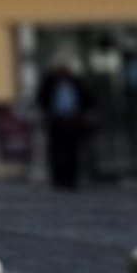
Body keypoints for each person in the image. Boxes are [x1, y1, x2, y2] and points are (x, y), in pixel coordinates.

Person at [36, 61, 89, 190]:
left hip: (72, 121)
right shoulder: (50, 82)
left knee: (72, 151)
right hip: (55, 121)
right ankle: (58, 179)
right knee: (56, 151)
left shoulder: (75, 82)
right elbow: (41, 99)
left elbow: (86, 98)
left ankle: (71, 179)